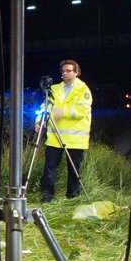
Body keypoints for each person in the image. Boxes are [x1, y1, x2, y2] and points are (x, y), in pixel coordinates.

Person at [36, 59, 92, 202]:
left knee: (74, 170)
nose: (65, 73)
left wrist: (63, 112)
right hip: (55, 137)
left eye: (68, 71)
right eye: (63, 71)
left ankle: (72, 198)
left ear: (76, 72)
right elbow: (45, 106)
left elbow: (82, 111)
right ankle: (47, 197)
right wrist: (39, 121)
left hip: (75, 138)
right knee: (49, 168)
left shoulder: (83, 89)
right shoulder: (55, 89)